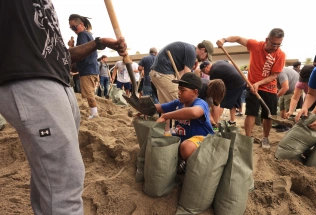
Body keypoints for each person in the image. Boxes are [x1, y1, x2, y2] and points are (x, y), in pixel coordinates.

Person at [0, 1, 127, 214]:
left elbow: (62, 55)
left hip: (59, 83)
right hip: (31, 82)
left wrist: (98, 43)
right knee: (65, 182)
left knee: (51, 176)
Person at [217, 28, 286, 149]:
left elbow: (274, 75)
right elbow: (238, 39)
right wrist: (224, 40)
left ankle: (265, 138)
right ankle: (247, 140)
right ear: (267, 40)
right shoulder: (255, 46)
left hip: (269, 88)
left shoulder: (280, 55)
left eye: (278, 44)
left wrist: (259, 83)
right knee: (251, 113)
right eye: (273, 44)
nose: (275, 47)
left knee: (268, 116)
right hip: (251, 86)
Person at [149, 40, 214, 134]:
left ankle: (166, 132)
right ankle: (180, 131)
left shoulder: (189, 49)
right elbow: (187, 78)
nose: (205, 60)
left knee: (167, 105)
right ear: (203, 50)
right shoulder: (192, 52)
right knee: (182, 103)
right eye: (206, 56)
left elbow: (181, 75)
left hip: (157, 73)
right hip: (163, 73)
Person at [153, 72, 214, 161]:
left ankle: (188, 165)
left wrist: (166, 116)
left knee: (186, 147)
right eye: (178, 89)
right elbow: (160, 107)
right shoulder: (178, 103)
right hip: (182, 138)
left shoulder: (201, 103)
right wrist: (144, 107)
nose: (179, 93)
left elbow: (194, 113)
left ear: (195, 92)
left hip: (203, 140)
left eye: (183, 90)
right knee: (162, 140)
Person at [69, 14, 101, 119]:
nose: (73, 29)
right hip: (92, 68)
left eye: (74, 27)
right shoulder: (88, 34)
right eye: (71, 28)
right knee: (90, 92)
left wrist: (71, 47)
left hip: (87, 69)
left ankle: (94, 113)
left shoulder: (82, 35)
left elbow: (80, 52)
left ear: (81, 24)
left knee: (89, 93)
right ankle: (94, 112)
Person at [200, 60, 246, 126]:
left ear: (207, 67)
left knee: (221, 103)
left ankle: (215, 122)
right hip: (241, 81)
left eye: (204, 71)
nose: (206, 74)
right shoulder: (219, 62)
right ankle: (232, 121)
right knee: (233, 102)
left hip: (234, 84)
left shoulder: (213, 73)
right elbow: (229, 62)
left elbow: (214, 94)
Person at [275, 67, 299, 132]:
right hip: (284, 91)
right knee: (281, 108)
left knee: (287, 110)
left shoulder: (281, 73)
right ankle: (281, 124)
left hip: (292, 91)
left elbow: (285, 87)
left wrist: (276, 96)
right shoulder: (275, 74)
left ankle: (287, 126)